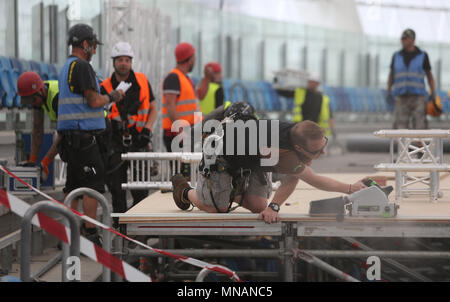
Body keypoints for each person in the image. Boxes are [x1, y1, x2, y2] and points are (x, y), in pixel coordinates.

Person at [171, 103, 366, 224]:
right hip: (222, 153)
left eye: (325, 144)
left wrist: (272, 207)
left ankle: (235, 191)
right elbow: (313, 179)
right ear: (299, 149)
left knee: (258, 206)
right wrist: (349, 188)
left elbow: (294, 177)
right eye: (317, 150)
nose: (323, 152)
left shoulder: (297, 134)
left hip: (254, 158)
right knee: (217, 209)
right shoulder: (284, 153)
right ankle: (185, 190)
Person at [57, 23, 124, 244]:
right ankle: (91, 234)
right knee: (93, 187)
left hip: (70, 141)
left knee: (74, 187)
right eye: (93, 46)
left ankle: (67, 234)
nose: (94, 50)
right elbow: (94, 100)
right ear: (85, 44)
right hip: (84, 141)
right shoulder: (82, 66)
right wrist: (111, 97)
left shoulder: (67, 66)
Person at [100, 42, 157, 226]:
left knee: (141, 189)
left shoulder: (141, 80)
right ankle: (120, 230)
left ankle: (140, 230)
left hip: (140, 140)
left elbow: (153, 108)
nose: (123, 63)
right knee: (117, 190)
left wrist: (147, 129)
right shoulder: (105, 86)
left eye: (127, 60)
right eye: (120, 60)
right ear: (114, 62)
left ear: (131, 61)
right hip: (115, 143)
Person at [387, 29, 435, 130]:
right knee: (400, 129)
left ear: (412, 39)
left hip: (418, 98)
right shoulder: (396, 56)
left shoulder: (422, 55)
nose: (402, 41)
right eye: (402, 39)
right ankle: (403, 146)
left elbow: (429, 76)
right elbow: (391, 75)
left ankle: (420, 146)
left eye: (405, 38)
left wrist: (433, 91)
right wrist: (388, 90)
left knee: (420, 128)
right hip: (401, 98)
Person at [17, 71, 60, 182]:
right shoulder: (39, 97)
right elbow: (37, 129)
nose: (32, 104)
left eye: (33, 100)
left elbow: (63, 135)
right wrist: (32, 160)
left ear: (41, 91)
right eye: (29, 102)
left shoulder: (57, 97)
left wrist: (45, 162)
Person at [162, 42, 202, 152]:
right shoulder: (173, 78)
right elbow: (170, 106)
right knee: (181, 169)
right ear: (189, 60)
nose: (195, 60)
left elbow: (193, 107)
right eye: (194, 57)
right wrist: (181, 131)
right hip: (177, 135)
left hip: (188, 133)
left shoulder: (186, 79)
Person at [292, 72, 335, 138]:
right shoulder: (301, 93)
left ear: (318, 83)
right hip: (302, 128)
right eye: (309, 81)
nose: (310, 83)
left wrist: (333, 130)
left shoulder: (323, 98)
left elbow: (330, 115)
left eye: (313, 82)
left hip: (316, 129)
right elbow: (283, 91)